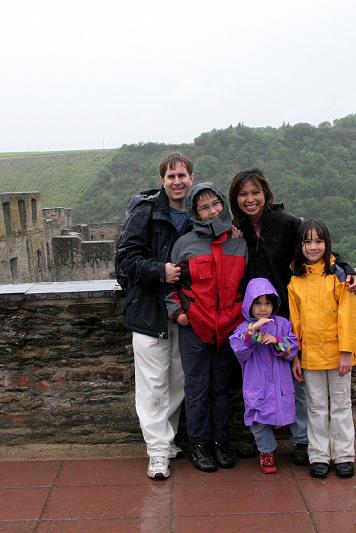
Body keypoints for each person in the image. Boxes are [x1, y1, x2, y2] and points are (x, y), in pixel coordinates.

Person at [228, 168, 356, 465]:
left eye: (255, 192)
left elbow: (321, 249)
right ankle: (265, 443)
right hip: (253, 317)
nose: (250, 199)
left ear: (266, 193)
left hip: (290, 314)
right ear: (235, 199)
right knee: (257, 383)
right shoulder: (236, 231)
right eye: (243, 194)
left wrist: (348, 269)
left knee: (298, 384)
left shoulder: (287, 224)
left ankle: (302, 442)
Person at [115, 152, 195, 480]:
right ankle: (157, 452)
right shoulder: (145, 212)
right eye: (171, 176)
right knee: (152, 384)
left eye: (182, 176)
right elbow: (125, 260)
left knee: (179, 379)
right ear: (162, 180)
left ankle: (166, 438)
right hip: (149, 311)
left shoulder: (199, 212)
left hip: (185, 313)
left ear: (191, 178)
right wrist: (159, 271)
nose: (177, 181)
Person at [166, 182, 247, 473]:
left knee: (222, 389)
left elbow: (247, 286)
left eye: (215, 204)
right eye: (204, 207)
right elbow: (171, 287)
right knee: (197, 388)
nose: (211, 211)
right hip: (195, 329)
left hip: (228, 328)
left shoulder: (239, 242)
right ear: (194, 212)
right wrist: (179, 315)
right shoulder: (184, 245)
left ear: (223, 205)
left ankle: (221, 443)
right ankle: (199, 444)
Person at [288, 219, 356, 479]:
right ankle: (318, 455)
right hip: (309, 356)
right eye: (307, 242)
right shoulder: (295, 280)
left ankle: (343, 455)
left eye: (318, 241)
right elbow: (294, 323)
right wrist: (295, 356)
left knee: (340, 405)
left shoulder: (339, 275)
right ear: (300, 245)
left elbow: (348, 314)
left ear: (327, 244)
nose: (313, 247)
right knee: (316, 407)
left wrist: (346, 352)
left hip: (338, 354)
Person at [229, 277, 299, 474]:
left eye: (268, 303)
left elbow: (293, 347)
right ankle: (266, 451)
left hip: (280, 383)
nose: (263, 308)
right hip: (257, 385)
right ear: (249, 305)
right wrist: (252, 333)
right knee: (258, 418)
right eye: (258, 303)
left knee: (291, 413)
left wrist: (276, 340)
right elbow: (239, 351)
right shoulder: (243, 329)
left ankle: (302, 444)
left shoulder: (283, 324)